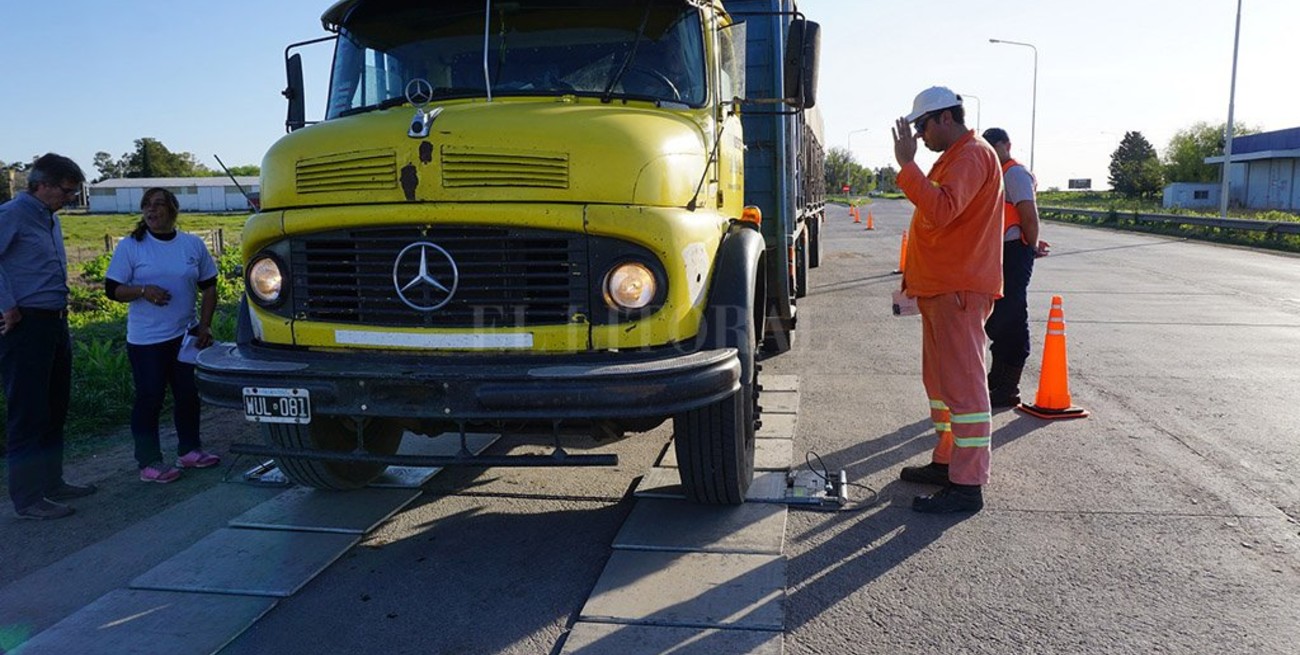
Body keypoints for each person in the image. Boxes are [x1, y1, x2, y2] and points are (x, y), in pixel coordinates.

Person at [890, 87, 1005, 513]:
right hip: (941, 288)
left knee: (964, 388)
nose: (918, 136)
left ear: (943, 118)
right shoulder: (955, 156)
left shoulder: (972, 155)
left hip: (958, 289)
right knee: (940, 386)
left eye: (921, 127)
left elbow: (941, 210)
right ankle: (948, 461)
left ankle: (967, 484)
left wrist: (907, 165)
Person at [0, 153, 97, 520]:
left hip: (55, 322)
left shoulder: (48, 218)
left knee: (55, 406)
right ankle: (28, 498)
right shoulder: (13, 214)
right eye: (67, 191)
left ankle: (52, 482)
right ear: (41, 185)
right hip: (26, 325)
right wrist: (6, 304)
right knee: (28, 411)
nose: (70, 198)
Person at [105, 187, 220, 483]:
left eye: (158, 205)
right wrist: (143, 291)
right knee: (150, 398)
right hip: (147, 341)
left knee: (188, 395)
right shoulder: (132, 246)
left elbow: (209, 286)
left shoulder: (192, 245)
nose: (152, 211)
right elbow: (112, 289)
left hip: (186, 335)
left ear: (173, 210)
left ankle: (189, 450)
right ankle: (149, 463)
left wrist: (204, 326)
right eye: (147, 206)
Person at [981, 128, 1050, 408]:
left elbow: (1028, 214)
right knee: (997, 317)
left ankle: (1009, 387)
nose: (990, 155)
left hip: (1014, 252)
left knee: (1011, 315)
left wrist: (1029, 246)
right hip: (999, 252)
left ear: (1006, 146)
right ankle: (996, 379)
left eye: (993, 148)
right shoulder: (995, 174)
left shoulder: (1014, 173)